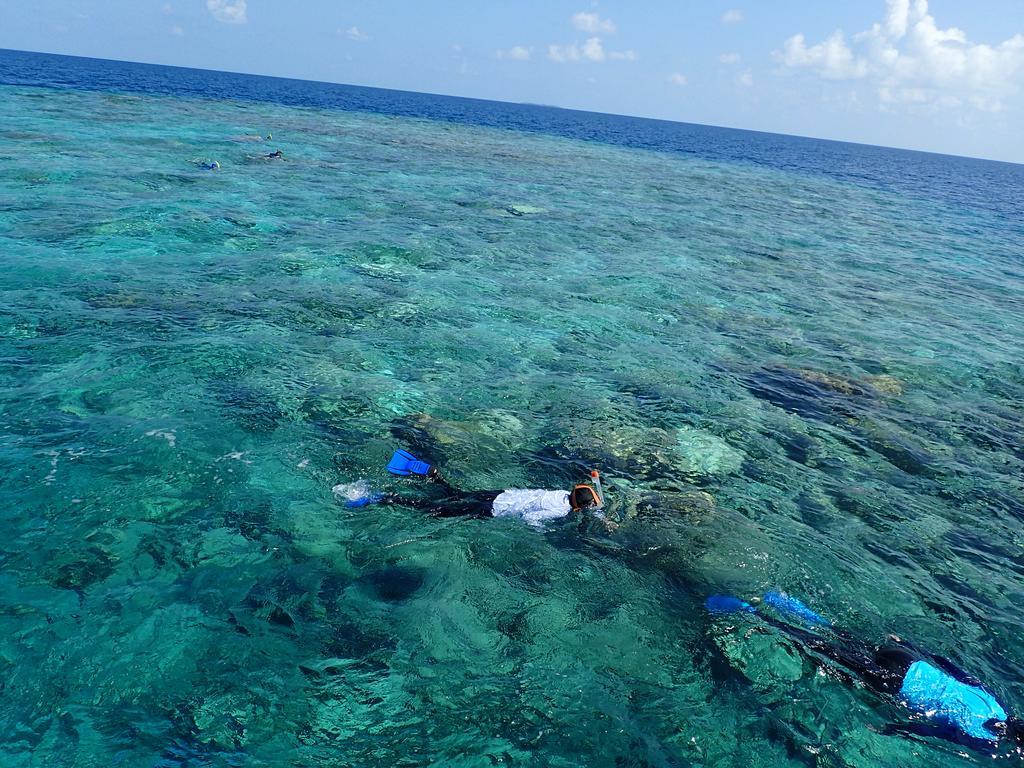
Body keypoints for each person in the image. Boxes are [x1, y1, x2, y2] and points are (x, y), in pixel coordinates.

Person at [706, 592, 1024, 752]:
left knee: (838, 634)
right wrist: (892, 730)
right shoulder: (986, 741)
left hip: (911, 660)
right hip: (896, 681)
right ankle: (750, 613)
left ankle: (784, 601)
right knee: (820, 649)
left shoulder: (996, 705)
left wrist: (914, 647)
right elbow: (932, 733)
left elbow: (960, 672)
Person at [336, 449, 611, 528]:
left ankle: (432, 474)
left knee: (453, 494)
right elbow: (529, 517)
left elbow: (585, 495)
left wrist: (597, 512)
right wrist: (541, 530)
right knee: (433, 510)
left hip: (500, 493)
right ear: (579, 507)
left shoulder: (558, 493)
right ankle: (386, 498)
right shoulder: (559, 512)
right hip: (491, 509)